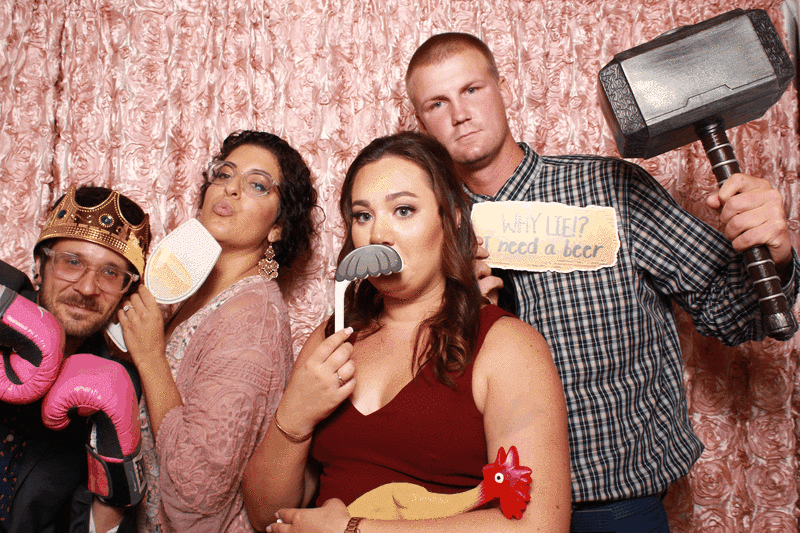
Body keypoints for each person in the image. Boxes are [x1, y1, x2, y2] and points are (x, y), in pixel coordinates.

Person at [404, 32, 800, 532]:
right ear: (421, 122)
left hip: (617, 505)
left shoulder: (610, 189)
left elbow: (735, 313)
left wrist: (775, 255)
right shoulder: (427, 228)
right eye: (437, 103)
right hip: (488, 510)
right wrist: (458, 316)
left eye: (471, 90)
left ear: (502, 88)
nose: (459, 114)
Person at [241, 131, 571, 533]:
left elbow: (540, 525)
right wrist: (294, 415)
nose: (378, 235)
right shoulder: (333, 337)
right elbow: (266, 514)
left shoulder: (508, 346)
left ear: (451, 218)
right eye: (363, 216)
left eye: (403, 210)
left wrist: (354, 530)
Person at [117, 130, 318, 533]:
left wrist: (151, 358)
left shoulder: (254, 319)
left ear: (277, 228)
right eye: (224, 174)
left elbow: (198, 493)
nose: (231, 188)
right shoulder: (198, 293)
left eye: (257, 185)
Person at [1, 185, 152, 533]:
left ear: (126, 292)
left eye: (110, 273)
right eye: (72, 262)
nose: (87, 288)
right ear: (40, 264)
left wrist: (116, 476)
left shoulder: (117, 385)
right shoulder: (5, 296)